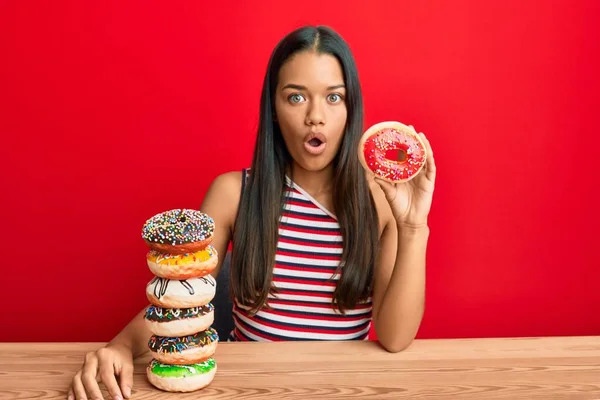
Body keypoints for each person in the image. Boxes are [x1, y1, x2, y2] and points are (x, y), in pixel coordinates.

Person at [67, 25, 436, 400]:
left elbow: (394, 338)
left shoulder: (379, 204)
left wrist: (412, 226)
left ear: (351, 107)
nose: (315, 116)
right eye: (296, 98)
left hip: (343, 386)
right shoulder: (233, 194)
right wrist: (121, 346)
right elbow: (181, 302)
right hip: (248, 388)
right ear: (273, 109)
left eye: (334, 98)